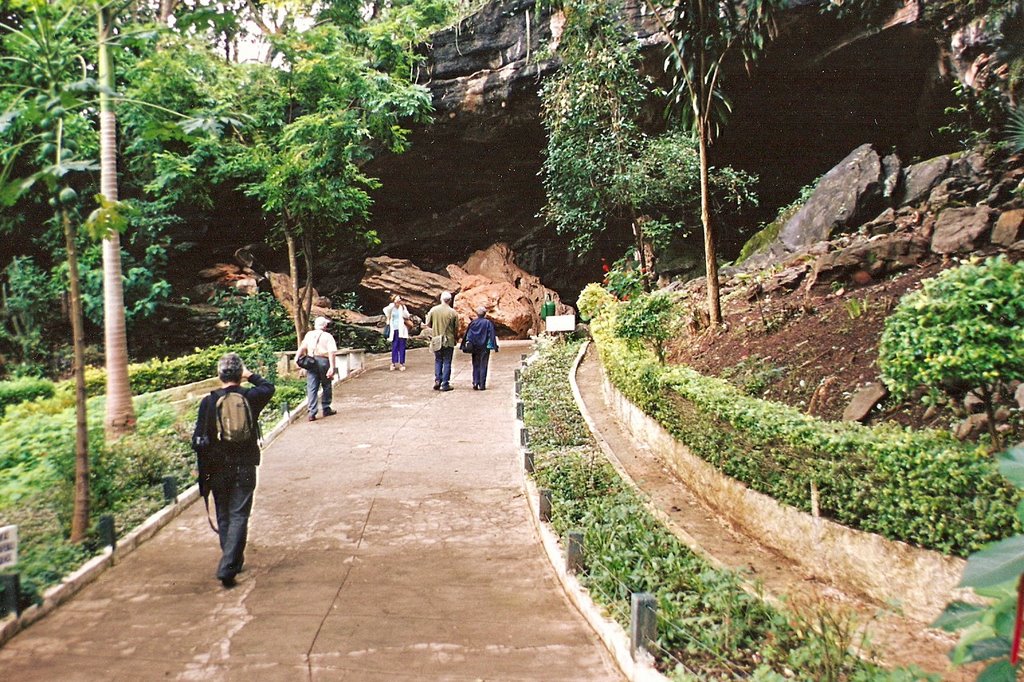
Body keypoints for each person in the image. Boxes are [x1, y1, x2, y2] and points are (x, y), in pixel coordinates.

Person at [191, 353, 275, 588]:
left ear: (219, 375)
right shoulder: (251, 396)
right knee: (239, 514)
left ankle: (230, 560)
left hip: (218, 468)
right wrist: (250, 375)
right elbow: (269, 387)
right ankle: (230, 563)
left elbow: (198, 438)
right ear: (240, 375)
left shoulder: (208, 402)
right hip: (246, 464)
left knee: (224, 514)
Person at [296, 316, 338, 421]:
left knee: (312, 387)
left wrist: (296, 359)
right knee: (326, 385)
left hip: (311, 362)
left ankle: (312, 412)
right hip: (324, 361)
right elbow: (331, 352)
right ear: (325, 325)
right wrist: (332, 367)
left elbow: (302, 348)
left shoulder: (309, 335)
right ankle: (326, 408)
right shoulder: (328, 336)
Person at [425, 291, 459, 391]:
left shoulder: (433, 310)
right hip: (449, 340)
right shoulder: (453, 312)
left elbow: (428, 324)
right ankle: (445, 383)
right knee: (447, 361)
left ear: (441, 299)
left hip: (436, 339)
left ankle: (437, 380)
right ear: (450, 300)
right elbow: (456, 328)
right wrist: (455, 338)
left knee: (438, 360)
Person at [461, 306, 499, 390]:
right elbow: (491, 335)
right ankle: (482, 384)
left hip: (474, 347)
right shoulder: (488, 323)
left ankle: (475, 381)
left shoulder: (473, 323)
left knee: (475, 364)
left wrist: (465, 345)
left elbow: (468, 334)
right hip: (485, 347)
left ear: (477, 314)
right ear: (485, 314)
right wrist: (494, 346)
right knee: (483, 365)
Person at [382, 294, 411, 371]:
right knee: (394, 347)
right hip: (394, 329)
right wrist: (393, 305)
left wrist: (403, 307)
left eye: (399, 300)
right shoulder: (391, 307)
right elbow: (385, 311)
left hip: (402, 330)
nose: (398, 301)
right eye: (396, 300)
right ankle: (393, 363)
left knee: (402, 347)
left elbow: (407, 316)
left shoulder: (403, 307)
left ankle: (402, 363)